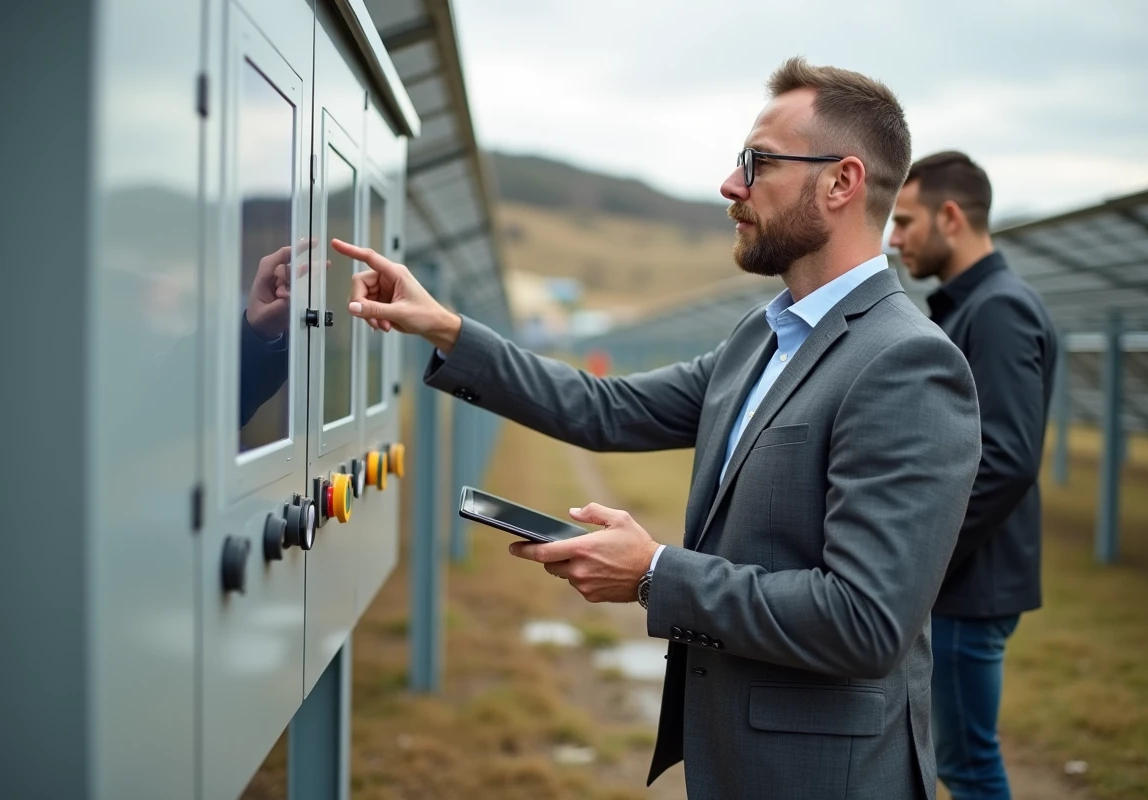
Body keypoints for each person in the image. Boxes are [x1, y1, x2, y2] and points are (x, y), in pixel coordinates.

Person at [334, 57, 982, 800]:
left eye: (757, 162)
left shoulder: (906, 364)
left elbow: (863, 621)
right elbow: (606, 410)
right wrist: (447, 329)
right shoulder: (761, 338)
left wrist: (653, 573)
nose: (731, 185)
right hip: (738, 759)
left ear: (841, 182)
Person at [890, 151, 1057, 800]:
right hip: (964, 580)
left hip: (968, 584)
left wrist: (926, 556)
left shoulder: (997, 309)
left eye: (905, 221)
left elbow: (1006, 459)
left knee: (967, 767)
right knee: (952, 760)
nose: (894, 236)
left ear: (951, 216)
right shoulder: (967, 307)